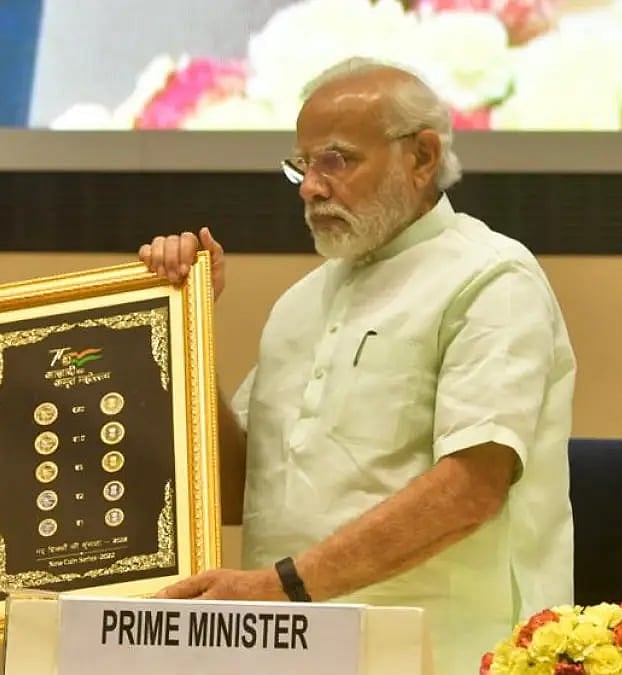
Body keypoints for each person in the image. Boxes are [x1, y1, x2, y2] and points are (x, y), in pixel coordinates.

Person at [139, 57, 575, 672]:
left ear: (422, 157)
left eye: (336, 160)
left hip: (446, 654)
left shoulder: (492, 278)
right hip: (287, 651)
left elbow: (470, 489)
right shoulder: (299, 304)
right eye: (302, 165)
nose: (310, 187)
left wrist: (279, 588)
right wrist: (184, 326)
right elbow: (236, 491)